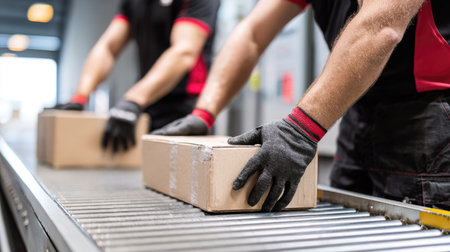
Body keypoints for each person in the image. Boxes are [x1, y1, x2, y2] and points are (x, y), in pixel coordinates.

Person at [153, 0, 450, 211]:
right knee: (343, 232)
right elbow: (252, 34)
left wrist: (299, 131)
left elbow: (381, 26)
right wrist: (204, 113)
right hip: (359, 111)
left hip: (426, 119)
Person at [53, 0, 220, 153]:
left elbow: (184, 52)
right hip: (146, 108)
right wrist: (80, 97)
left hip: (187, 111)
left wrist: (133, 100)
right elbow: (109, 47)